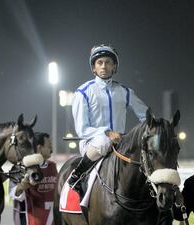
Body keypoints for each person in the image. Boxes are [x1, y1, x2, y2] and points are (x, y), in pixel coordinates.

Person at [68, 44, 149, 192]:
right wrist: (107, 132)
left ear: (114, 67)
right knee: (104, 141)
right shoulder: (83, 92)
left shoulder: (125, 91)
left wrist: (155, 129)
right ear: (94, 68)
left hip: (120, 143)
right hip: (92, 144)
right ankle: (77, 175)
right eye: (100, 63)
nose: (104, 66)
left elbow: (146, 115)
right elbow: (82, 129)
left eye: (108, 62)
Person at [9, 132, 58, 225]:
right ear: (39, 148)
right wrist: (23, 185)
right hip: (30, 220)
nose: (51, 149)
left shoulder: (53, 166)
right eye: (49, 146)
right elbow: (13, 194)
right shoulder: (20, 168)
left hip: (51, 220)